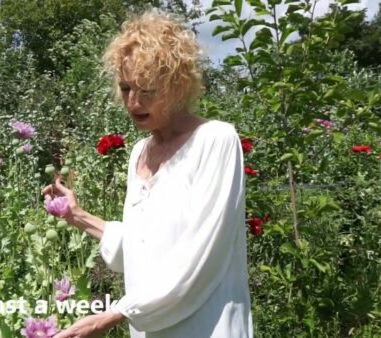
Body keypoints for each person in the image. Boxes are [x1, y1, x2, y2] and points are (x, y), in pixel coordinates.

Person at [42, 9, 253, 338]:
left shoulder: (215, 141)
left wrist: (111, 315)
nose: (133, 101)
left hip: (206, 327)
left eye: (147, 90)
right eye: (126, 88)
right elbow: (145, 248)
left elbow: (202, 257)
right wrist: (78, 215)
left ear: (177, 85)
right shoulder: (140, 153)